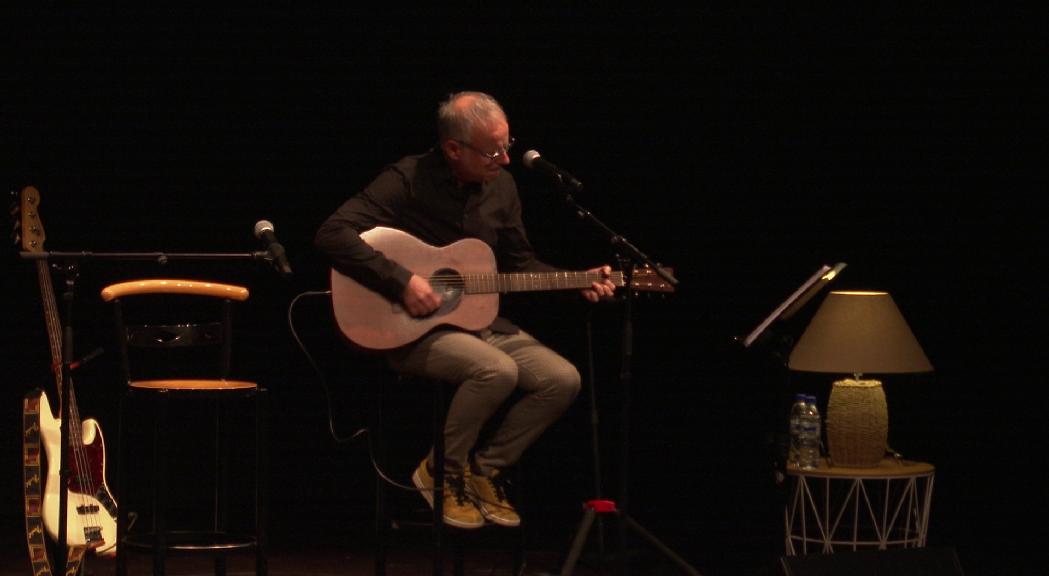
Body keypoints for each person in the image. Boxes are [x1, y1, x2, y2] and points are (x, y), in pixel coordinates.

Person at [315, 91, 617, 529]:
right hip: (408, 327)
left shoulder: (503, 187)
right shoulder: (407, 178)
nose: (506, 160)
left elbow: (520, 265)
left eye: (508, 145)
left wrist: (578, 280)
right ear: (453, 148)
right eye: (493, 151)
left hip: (479, 322)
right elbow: (332, 233)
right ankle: (442, 471)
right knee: (497, 371)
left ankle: (486, 470)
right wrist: (403, 281)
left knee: (561, 379)